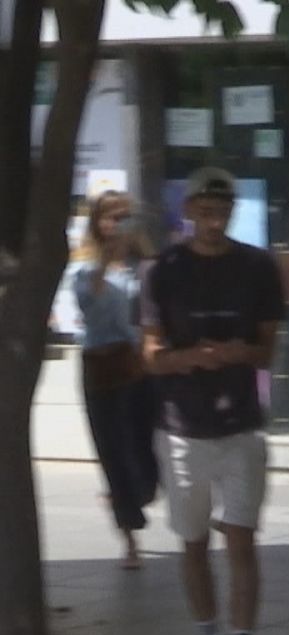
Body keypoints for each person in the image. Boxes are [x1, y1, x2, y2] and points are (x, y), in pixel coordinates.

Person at [141, 167, 285, 635]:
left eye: (221, 208)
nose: (212, 217)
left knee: (242, 537)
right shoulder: (162, 270)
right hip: (181, 425)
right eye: (203, 208)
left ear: (231, 211)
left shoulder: (257, 266)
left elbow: (268, 348)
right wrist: (190, 358)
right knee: (193, 540)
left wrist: (239, 353)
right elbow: (150, 356)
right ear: (188, 210)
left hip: (241, 422)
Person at [73, 190, 160, 569]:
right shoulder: (85, 268)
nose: (116, 225)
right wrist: (106, 262)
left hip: (142, 367)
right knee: (113, 453)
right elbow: (87, 306)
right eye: (109, 217)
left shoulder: (145, 267)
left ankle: (130, 497)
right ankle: (130, 540)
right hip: (103, 368)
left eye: (123, 217)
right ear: (96, 223)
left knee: (147, 454)